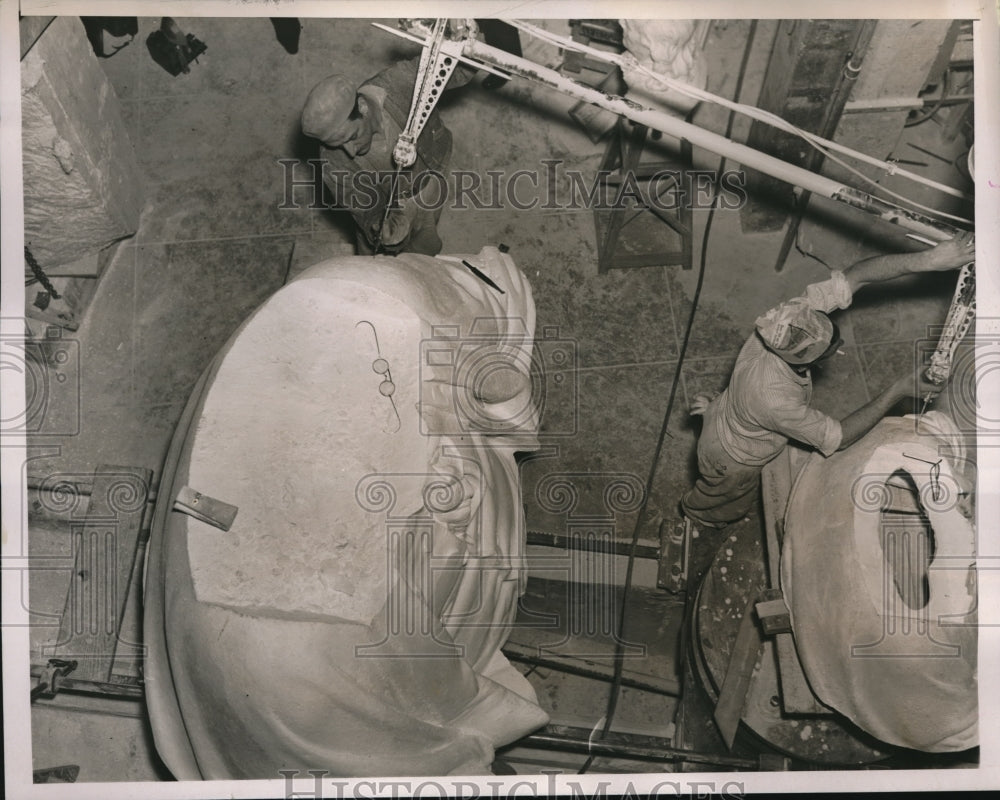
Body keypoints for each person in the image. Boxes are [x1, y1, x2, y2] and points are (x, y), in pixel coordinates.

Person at [680, 233, 975, 529]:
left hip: (729, 412)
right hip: (732, 456)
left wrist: (931, 259)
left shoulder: (789, 320)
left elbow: (856, 276)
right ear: (800, 360)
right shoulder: (774, 399)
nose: (839, 343)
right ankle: (697, 520)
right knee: (726, 498)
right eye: (829, 350)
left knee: (730, 419)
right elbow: (839, 437)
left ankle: (712, 415)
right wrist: (898, 389)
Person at [302, 58, 468, 257]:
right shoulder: (333, 161)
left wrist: (463, 41)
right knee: (380, 263)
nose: (350, 152)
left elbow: (456, 67)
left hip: (432, 175)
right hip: (393, 208)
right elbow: (363, 205)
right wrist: (379, 225)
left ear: (363, 106)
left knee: (426, 244)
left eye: (352, 137)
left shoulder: (402, 82)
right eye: (337, 145)